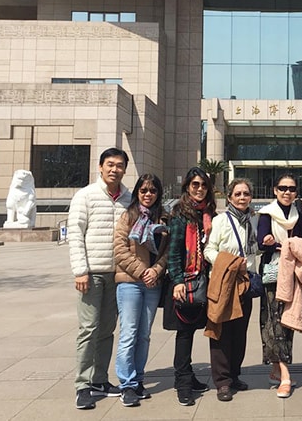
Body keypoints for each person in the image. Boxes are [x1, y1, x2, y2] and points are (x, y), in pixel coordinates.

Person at [68, 147, 132, 410]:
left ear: (125, 170)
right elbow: (75, 233)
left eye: (119, 165)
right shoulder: (86, 195)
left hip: (117, 274)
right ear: (100, 166)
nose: (114, 169)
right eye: (110, 164)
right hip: (92, 273)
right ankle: (82, 385)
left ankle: (100, 379)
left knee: (107, 329)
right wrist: (80, 270)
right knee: (88, 329)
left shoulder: (129, 197)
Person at [113, 173, 170, 406]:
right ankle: (126, 384)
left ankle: (138, 379)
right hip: (129, 282)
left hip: (152, 283)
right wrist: (142, 271)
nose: (148, 194)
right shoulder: (128, 216)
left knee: (144, 335)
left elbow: (167, 250)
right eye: (144, 190)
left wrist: (156, 271)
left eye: (153, 190)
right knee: (128, 333)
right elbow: (119, 248)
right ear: (137, 192)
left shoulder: (163, 218)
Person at [204, 178, 258, 403]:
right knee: (221, 332)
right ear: (229, 198)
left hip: (244, 284)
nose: (242, 197)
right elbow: (209, 250)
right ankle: (222, 381)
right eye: (238, 194)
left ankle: (234, 374)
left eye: (246, 193)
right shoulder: (221, 221)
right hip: (225, 283)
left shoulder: (252, 220)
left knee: (239, 333)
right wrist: (231, 263)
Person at [167, 167, 215, 406]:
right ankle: (183, 382)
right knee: (184, 332)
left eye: (203, 185)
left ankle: (188, 375)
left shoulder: (208, 213)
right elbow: (173, 251)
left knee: (195, 328)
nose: (199, 189)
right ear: (187, 186)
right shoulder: (180, 214)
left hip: (204, 280)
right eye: (195, 184)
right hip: (186, 280)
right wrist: (176, 281)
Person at [257, 174, 302, 398]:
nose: (287, 192)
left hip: (293, 275)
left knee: (288, 322)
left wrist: (278, 244)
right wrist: (280, 245)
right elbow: (260, 242)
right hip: (273, 275)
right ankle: (285, 375)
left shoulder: (299, 214)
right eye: (283, 188)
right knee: (275, 323)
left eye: (292, 188)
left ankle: (276, 369)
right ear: (275, 190)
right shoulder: (267, 214)